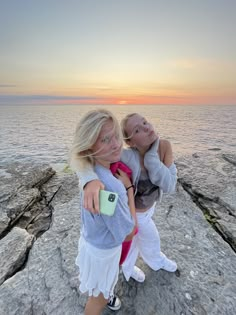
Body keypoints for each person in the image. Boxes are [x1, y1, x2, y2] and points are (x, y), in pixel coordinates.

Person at [79, 113, 178, 283]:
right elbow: (90, 160)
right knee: (148, 238)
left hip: (150, 208)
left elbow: (169, 186)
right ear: (130, 142)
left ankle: (129, 267)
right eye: (138, 130)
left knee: (134, 242)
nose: (147, 127)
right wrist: (90, 180)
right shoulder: (125, 155)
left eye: (145, 122)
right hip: (134, 212)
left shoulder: (164, 147)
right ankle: (152, 262)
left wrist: (152, 157)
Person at [70, 109, 137, 315]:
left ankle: (105, 294)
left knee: (99, 289)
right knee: (96, 301)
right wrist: (129, 190)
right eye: (105, 140)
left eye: (116, 135)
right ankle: (103, 298)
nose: (116, 144)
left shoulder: (91, 171)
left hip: (91, 241)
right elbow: (127, 232)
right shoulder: (111, 188)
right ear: (89, 146)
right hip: (104, 252)